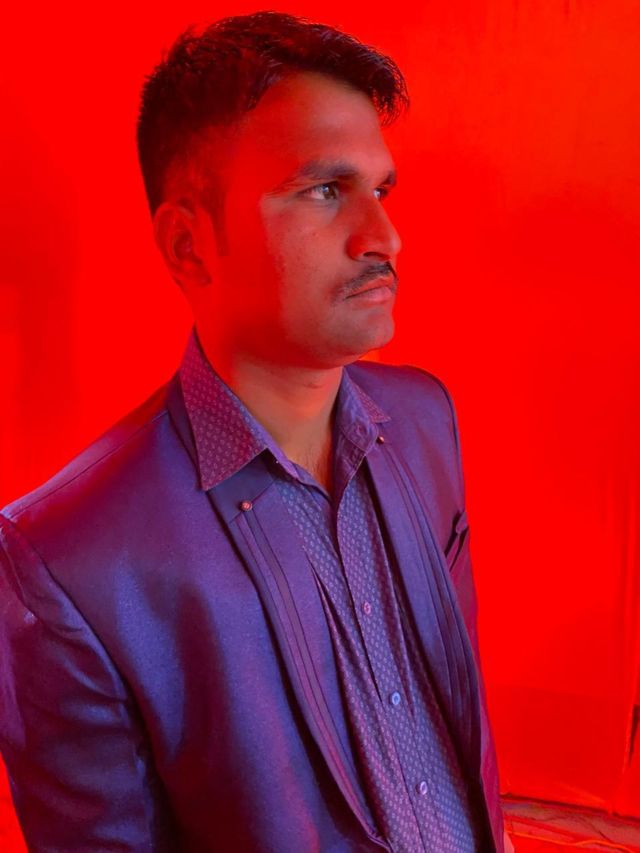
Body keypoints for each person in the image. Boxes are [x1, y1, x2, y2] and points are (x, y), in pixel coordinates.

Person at [0, 11, 511, 852]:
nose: (383, 237)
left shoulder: (425, 419)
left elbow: (457, 716)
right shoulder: (67, 560)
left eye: (380, 190)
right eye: (325, 190)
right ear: (189, 244)